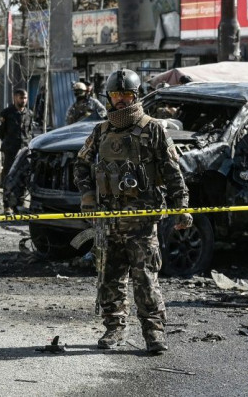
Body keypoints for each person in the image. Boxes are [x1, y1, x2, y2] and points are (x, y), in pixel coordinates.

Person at [74, 69, 193, 354]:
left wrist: (181, 209)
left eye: (126, 95)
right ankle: (114, 328)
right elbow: (81, 165)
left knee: (146, 280)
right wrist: (89, 196)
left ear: (136, 96)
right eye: (116, 95)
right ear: (109, 97)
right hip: (108, 222)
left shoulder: (153, 129)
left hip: (141, 223)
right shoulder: (101, 131)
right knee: (109, 278)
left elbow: (172, 173)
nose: (121, 101)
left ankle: (154, 333)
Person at [0, 88, 33, 214]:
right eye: (21, 98)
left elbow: (30, 132)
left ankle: (19, 204)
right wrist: (10, 142)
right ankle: (7, 205)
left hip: (24, 150)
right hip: (11, 150)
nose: (23, 100)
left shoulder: (29, 113)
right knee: (8, 177)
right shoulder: (6, 113)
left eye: (25, 98)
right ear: (15, 97)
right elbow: (1, 132)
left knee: (23, 176)